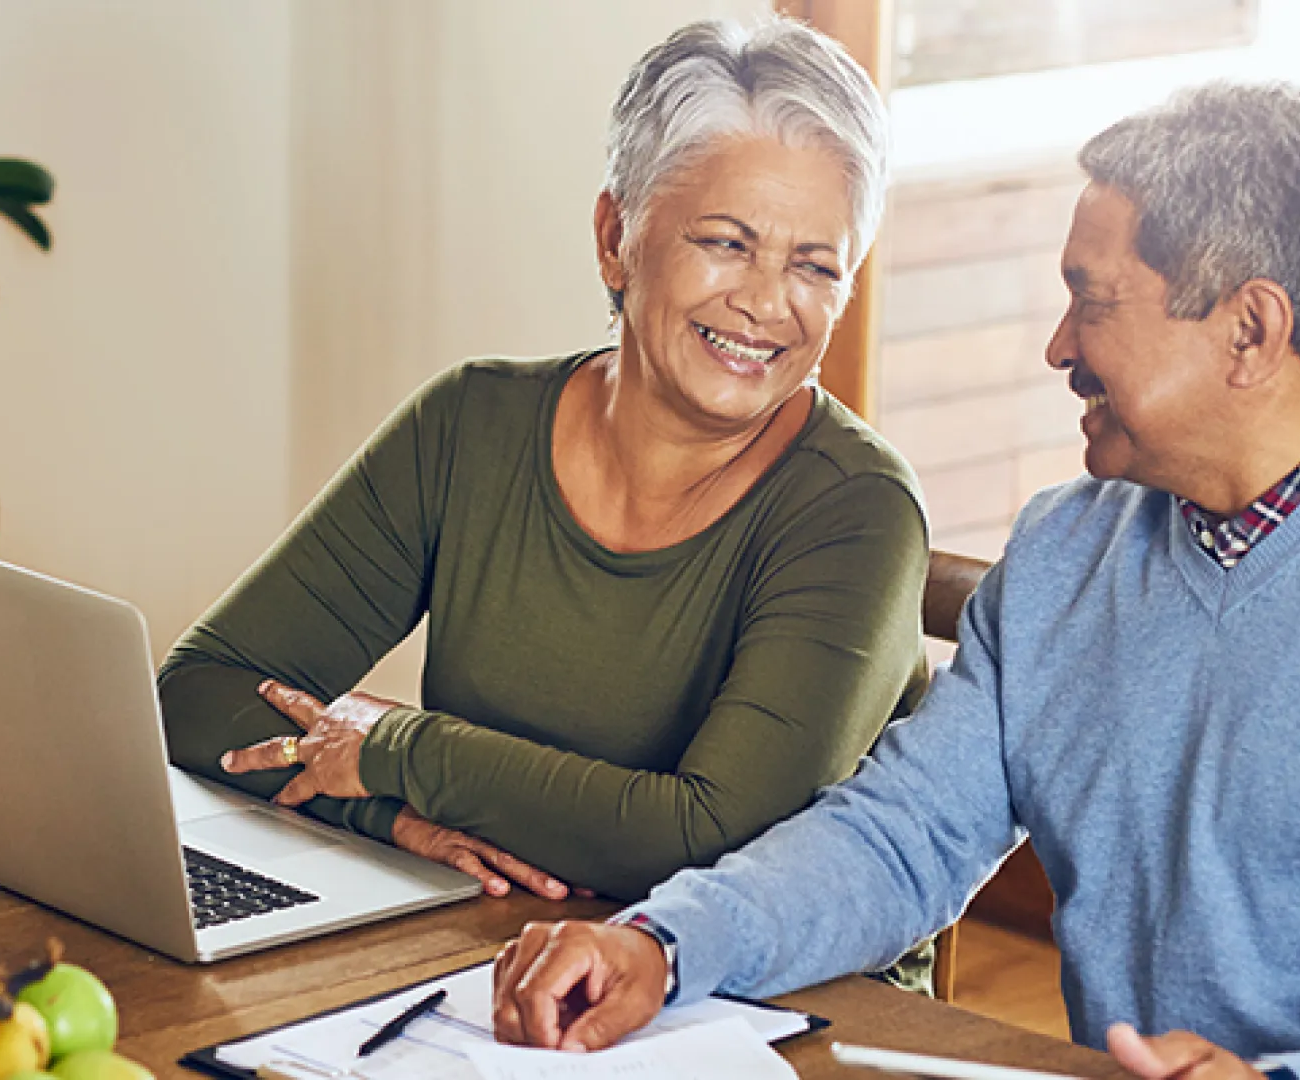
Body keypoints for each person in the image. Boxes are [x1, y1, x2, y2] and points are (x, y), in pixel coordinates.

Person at [489, 80, 1300, 1078]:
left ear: (1251, 333)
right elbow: (899, 840)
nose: (1059, 347)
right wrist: (667, 942)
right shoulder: (1069, 549)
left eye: (1092, 302)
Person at [157, 18, 930, 921]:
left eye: (815, 265)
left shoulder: (859, 512)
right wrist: (381, 811)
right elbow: (201, 695)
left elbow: (713, 841)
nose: (766, 302)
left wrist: (396, 748)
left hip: (767, 1003)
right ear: (616, 235)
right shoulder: (469, 425)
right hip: (487, 942)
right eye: (726, 242)